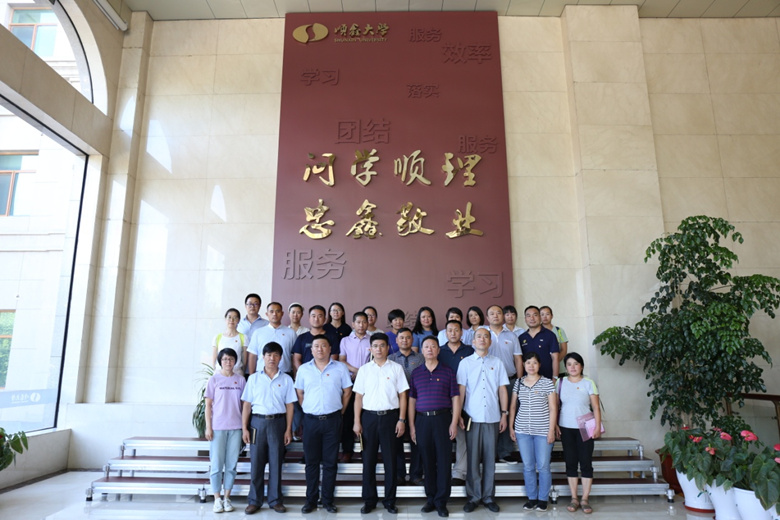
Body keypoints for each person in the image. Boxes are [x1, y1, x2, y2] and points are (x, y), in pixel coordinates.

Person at [294, 335, 353, 514]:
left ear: (330, 349)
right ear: (311, 350)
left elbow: (347, 391)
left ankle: (327, 500)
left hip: (332, 420)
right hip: (310, 421)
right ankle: (310, 500)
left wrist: (340, 412)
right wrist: (308, 409)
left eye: (323, 346)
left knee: (330, 462)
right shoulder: (304, 369)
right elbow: (300, 393)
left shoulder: (340, 368)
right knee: (311, 462)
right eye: (316, 346)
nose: (320, 349)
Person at [352, 333, 409, 514]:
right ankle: (369, 500)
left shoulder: (396, 368)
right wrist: (356, 421)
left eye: (382, 345)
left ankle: (390, 500)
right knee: (368, 461)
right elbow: (358, 397)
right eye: (375, 346)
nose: (378, 349)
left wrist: (401, 419)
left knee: (390, 461)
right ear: (370, 348)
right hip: (368, 418)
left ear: (388, 348)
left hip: (390, 418)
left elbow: (403, 395)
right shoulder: (364, 370)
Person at [409, 336, 461, 518]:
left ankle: (441, 501)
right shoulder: (416, 373)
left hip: (443, 419)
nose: (430, 349)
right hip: (422, 421)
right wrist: (412, 426)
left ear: (438, 350)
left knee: (444, 461)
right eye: (426, 347)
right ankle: (430, 498)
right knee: (427, 461)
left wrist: (454, 422)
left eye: (433, 346)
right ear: (422, 351)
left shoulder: (448, 371)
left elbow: (455, 398)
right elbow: (412, 400)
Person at [241, 342, 295, 514]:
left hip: (278, 423)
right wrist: (244, 428)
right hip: (257, 424)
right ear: (263, 357)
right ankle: (254, 500)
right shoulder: (253, 379)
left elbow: (290, 406)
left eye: (276, 355)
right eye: (269, 355)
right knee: (256, 464)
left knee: (276, 463)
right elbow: (247, 405)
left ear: (281, 358)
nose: (272, 358)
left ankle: (275, 500)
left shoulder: (286, 379)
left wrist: (288, 429)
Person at [458, 328, 508, 513]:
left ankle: (488, 497)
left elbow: (502, 389)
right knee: (472, 459)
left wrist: (504, 414)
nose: (482, 339)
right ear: (473, 342)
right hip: (472, 417)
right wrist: (459, 415)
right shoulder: (465, 363)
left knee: (489, 459)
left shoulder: (498, 362)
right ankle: (473, 497)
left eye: (486, 336)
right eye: (478, 336)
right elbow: (461, 390)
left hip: (493, 417)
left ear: (490, 342)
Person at [509, 352, 557, 512]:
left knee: (543, 466)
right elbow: (513, 406)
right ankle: (532, 498)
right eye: (528, 362)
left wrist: (551, 430)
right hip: (522, 431)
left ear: (539, 365)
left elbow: (553, 408)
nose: (531, 366)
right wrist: (511, 427)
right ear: (523, 364)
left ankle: (543, 499)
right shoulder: (518, 383)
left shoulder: (547, 383)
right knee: (528, 466)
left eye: (534, 362)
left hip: (543, 431)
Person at [557, 352, 601, 515]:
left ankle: (585, 499)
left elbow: (595, 407)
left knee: (586, 462)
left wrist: (597, 426)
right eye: (569, 364)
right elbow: (555, 406)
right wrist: (555, 425)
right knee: (570, 462)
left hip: (585, 427)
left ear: (581, 366)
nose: (573, 367)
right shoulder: (560, 382)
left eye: (576, 364)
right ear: (566, 367)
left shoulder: (589, 383)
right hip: (566, 427)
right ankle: (574, 498)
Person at [205, 347, 246, 513]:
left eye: (231, 359)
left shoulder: (241, 380)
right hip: (218, 428)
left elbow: (244, 406)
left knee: (231, 465)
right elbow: (208, 406)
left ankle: (227, 498)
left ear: (235, 361)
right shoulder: (214, 380)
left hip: (236, 428)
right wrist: (208, 427)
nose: (228, 362)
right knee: (216, 465)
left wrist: (244, 427)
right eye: (224, 359)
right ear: (220, 362)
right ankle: (217, 499)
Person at [437, 319, 474, 486]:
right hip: (442, 399)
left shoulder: (469, 351)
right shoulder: (439, 351)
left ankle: (460, 472)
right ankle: (441, 470)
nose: (453, 333)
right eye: (450, 330)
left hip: (465, 398)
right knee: (442, 436)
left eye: (456, 330)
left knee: (462, 436)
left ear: (461, 333)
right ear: (445, 333)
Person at [485, 304, 523, 463]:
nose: (495, 316)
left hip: (509, 381)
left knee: (507, 415)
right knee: (489, 416)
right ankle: (490, 452)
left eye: (498, 313)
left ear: (503, 316)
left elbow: (518, 359)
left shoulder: (512, 336)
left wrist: (519, 381)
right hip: (487, 383)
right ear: (487, 317)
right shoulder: (482, 334)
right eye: (492, 313)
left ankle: (505, 452)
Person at [388, 327, 424, 486]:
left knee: (417, 440)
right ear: (396, 340)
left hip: (418, 404)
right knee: (396, 440)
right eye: (401, 337)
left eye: (408, 337)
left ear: (412, 340)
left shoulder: (421, 358)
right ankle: (399, 474)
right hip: (396, 404)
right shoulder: (390, 359)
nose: (405, 340)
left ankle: (416, 474)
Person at [338, 311, 372, 463]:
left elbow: (374, 360)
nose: (361, 325)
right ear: (353, 324)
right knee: (348, 417)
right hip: (350, 383)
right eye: (358, 322)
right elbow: (342, 360)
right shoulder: (345, 340)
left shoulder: (372, 340)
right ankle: (347, 451)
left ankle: (366, 451)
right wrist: (357, 371)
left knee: (366, 418)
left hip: (368, 383)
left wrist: (362, 374)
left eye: (364, 322)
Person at [247, 302, 296, 375]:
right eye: (271, 311)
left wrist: (295, 376)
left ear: (282, 313)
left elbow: (294, 356)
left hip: (284, 373)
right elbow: (253, 355)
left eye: (277, 311)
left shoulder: (291, 333)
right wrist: (252, 376)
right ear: (267, 314)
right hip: (261, 373)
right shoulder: (258, 332)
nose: (274, 314)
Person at [518, 306, 560, 380]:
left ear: (540, 317)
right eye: (528, 316)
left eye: (535, 315)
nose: (532, 318)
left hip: (547, 380)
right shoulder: (521, 338)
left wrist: (555, 378)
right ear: (525, 319)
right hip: (527, 381)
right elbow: (519, 360)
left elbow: (555, 358)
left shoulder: (550, 335)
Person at [211, 308, 247, 376]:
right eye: (229, 317)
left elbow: (244, 360)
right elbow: (214, 358)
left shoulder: (243, 337)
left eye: (235, 318)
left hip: (236, 373)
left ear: (239, 320)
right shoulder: (217, 337)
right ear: (225, 319)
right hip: (220, 373)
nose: (231, 320)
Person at [540, 305, 568, 376]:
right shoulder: (537, 331)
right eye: (542, 314)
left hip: (559, 369)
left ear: (552, 316)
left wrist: (555, 362)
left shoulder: (559, 330)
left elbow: (564, 350)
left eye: (547, 314)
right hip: (541, 369)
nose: (545, 317)